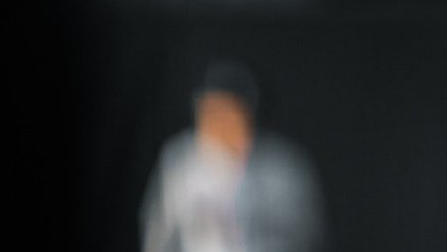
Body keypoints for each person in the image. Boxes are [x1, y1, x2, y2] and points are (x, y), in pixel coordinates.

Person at [140, 59, 327, 252]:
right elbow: (158, 233)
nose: (219, 120)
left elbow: (308, 237)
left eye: (230, 111)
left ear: (250, 114)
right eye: (210, 111)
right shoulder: (179, 162)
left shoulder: (284, 168)